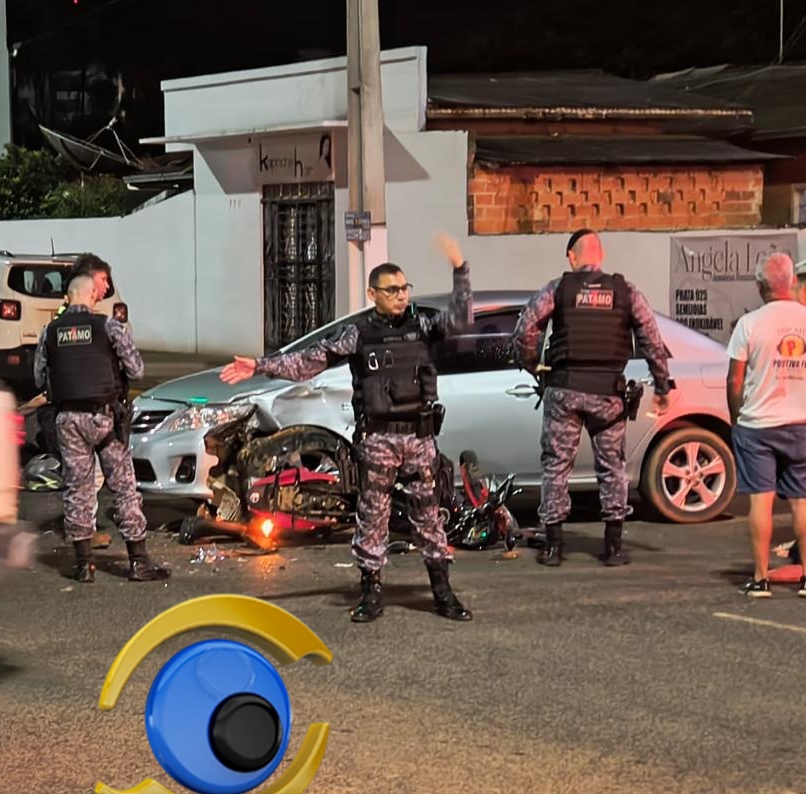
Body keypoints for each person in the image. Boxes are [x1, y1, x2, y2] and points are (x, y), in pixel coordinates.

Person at [221, 233, 474, 623]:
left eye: (405, 288)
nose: (401, 296)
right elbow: (308, 361)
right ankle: (371, 591)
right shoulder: (360, 334)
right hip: (379, 440)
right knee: (373, 517)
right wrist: (259, 366)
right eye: (392, 290)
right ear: (373, 294)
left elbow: (460, 319)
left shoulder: (423, 326)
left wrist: (460, 270)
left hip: (420, 438)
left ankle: (442, 591)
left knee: (429, 515)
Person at [512, 229, 673, 567]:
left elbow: (526, 330)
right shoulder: (626, 292)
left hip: (565, 390)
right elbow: (652, 339)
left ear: (572, 256)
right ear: (601, 255)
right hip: (608, 394)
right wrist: (661, 386)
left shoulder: (558, 289)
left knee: (556, 466)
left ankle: (553, 546)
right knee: (612, 468)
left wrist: (533, 366)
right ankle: (613, 547)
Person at [34, 273, 169, 583]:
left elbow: (40, 377)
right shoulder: (108, 326)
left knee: (77, 490)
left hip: (69, 420)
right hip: (105, 418)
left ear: (68, 297)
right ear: (93, 295)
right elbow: (137, 370)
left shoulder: (50, 331)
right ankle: (138, 562)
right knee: (124, 488)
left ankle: (84, 565)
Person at [726, 251, 806, 598]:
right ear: (792, 282)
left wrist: (735, 418)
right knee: (802, 502)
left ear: (760, 286)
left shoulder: (749, 323)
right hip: (802, 423)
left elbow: (734, 380)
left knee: (761, 501)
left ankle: (760, 578)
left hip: (758, 425)